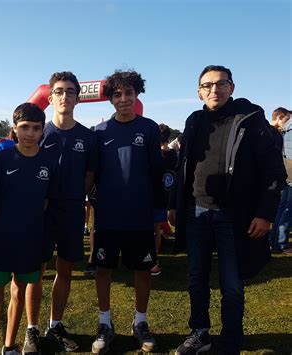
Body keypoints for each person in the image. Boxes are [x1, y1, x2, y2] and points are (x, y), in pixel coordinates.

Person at [169, 65, 287, 354]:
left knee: (231, 284)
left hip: (234, 215)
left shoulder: (249, 119)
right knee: (196, 279)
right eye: (207, 85)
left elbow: (273, 172)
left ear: (232, 87)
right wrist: (174, 204)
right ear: (198, 92)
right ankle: (200, 333)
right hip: (196, 211)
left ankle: (231, 340)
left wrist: (265, 213)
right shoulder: (194, 120)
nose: (214, 90)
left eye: (221, 84)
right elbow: (183, 165)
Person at [91, 70, 165, 353]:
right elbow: (93, 175)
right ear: (110, 98)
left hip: (140, 216)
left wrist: (158, 212)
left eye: (129, 93)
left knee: (143, 270)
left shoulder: (148, 128)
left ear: (137, 95)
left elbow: (157, 172)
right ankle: (105, 323)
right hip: (109, 217)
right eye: (118, 94)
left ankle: (140, 322)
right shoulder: (99, 132)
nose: (124, 99)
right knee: (103, 270)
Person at [23, 71, 97, 353]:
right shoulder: (39, 133)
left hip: (71, 212)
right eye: (59, 91)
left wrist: (75, 197)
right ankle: (32, 328)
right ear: (50, 97)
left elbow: (89, 175)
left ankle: (55, 324)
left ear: (77, 98)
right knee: (35, 273)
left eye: (70, 91)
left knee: (64, 270)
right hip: (41, 213)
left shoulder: (87, 136)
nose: (64, 96)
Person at [0, 103, 58, 355]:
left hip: (31, 241)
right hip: (3, 240)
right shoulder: (1, 158)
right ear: (14, 128)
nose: (30, 133)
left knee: (19, 292)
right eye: (25, 127)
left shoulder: (48, 160)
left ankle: (9, 346)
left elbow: (46, 200)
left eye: (36, 128)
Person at [151, 123, 178, 276]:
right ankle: (154, 261)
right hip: (164, 197)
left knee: (148, 231)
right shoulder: (173, 155)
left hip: (150, 197)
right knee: (156, 230)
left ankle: (147, 259)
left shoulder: (154, 155)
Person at [269, 107, 292, 253]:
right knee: (288, 209)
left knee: (283, 207)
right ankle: (281, 242)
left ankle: (275, 239)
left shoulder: (285, 131)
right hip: (290, 170)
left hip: (286, 171)